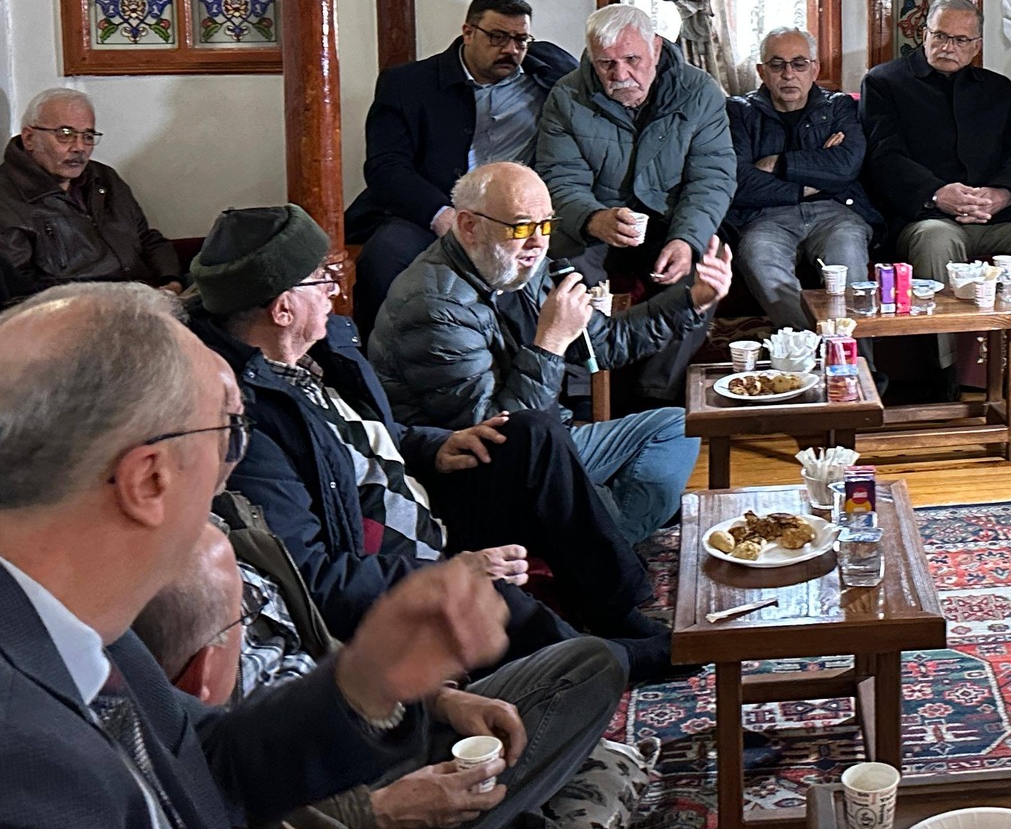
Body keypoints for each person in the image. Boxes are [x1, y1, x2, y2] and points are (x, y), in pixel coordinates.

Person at [0, 280, 513, 829]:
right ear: (149, 480)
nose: (232, 470)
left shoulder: (81, 623)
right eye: (228, 434)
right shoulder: (28, 770)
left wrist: (367, 681)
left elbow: (209, 769)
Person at [183, 204, 678, 684]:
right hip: (388, 571)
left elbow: (368, 435)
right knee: (496, 597)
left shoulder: (319, 349)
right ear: (282, 309)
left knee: (530, 434)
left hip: (423, 509)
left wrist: (432, 447)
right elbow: (314, 576)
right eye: (320, 278)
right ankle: (602, 661)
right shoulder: (245, 423)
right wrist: (451, 573)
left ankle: (618, 613)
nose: (335, 287)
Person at [134, 520, 626, 829]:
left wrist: (439, 697)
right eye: (223, 425)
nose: (236, 437)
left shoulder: (232, 529)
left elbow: (322, 653)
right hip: (333, 797)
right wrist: (379, 813)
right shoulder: (148, 721)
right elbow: (232, 785)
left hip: (370, 735)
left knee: (590, 666)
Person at [373, 161, 722, 543]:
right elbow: (501, 439)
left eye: (546, 225)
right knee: (625, 495)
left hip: (549, 438)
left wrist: (692, 301)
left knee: (677, 427)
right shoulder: (434, 306)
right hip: (480, 478)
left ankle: (602, 532)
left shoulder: (518, 264)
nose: (539, 242)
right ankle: (602, 538)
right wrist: (550, 343)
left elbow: (605, 342)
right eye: (522, 227)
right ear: (469, 226)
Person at [860, 0, 1011, 417]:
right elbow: (884, 157)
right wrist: (937, 193)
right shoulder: (884, 82)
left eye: (961, 40)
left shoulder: (999, 89)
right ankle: (942, 374)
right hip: (928, 215)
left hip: (995, 216)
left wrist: (1002, 194)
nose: (949, 47)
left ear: (977, 45)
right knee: (936, 239)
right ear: (923, 33)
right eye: (940, 36)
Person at [535, 3, 737, 400]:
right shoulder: (567, 95)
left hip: (672, 221)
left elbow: (711, 178)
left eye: (632, 60)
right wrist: (592, 218)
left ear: (656, 49)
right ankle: (583, 395)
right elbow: (559, 178)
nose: (620, 74)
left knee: (705, 276)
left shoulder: (700, 91)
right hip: (595, 221)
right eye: (606, 63)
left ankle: (654, 395)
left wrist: (686, 239)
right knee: (564, 273)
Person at [344, 0, 576, 330]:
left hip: (516, 214)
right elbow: (385, 167)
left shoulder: (547, 74)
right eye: (497, 37)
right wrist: (441, 215)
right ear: (468, 32)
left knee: (569, 262)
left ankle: (541, 354)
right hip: (432, 207)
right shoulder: (407, 84)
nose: (511, 50)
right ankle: (380, 358)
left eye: (520, 40)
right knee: (384, 258)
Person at [725, 27, 879, 331]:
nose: (788, 74)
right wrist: (814, 178)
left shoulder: (838, 106)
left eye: (799, 64)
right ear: (762, 71)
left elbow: (846, 166)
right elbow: (739, 180)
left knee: (848, 254)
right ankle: (808, 345)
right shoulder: (739, 111)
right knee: (758, 255)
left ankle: (856, 356)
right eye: (777, 65)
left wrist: (778, 163)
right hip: (765, 216)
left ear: (814, 69)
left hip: (835, 212)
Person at [0, 86, 180, 302]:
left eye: (87, 136)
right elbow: (19, 293)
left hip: (148, 299)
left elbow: (147, 239)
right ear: (29, 138)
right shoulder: (7, 198)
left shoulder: (104, 178)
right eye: (65, 134)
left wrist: (172, 282)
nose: (79, 147)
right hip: (77, 313)